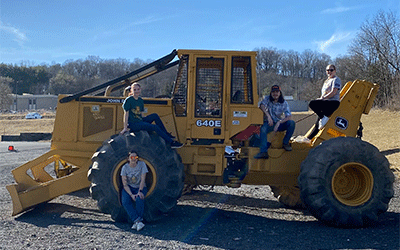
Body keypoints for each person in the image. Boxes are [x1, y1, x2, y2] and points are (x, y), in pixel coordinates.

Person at [120, 82, 183, 148]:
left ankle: (165, 133)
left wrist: (146, 121)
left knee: (154, 115)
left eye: (138, 89)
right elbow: (126, 114)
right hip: (134, 124)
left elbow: (141, 113)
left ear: (140, 89)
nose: (136, 91)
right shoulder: (129, 100)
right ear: (131, 91)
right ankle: (171, 142)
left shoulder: (140, 100)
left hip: (140, 121)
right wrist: (125, 128)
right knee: (154, 127)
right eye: (134, 90)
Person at [254, 85, 295, 159]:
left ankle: (285, 143)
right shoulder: (267, 99)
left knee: (291, 123)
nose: (275, 93)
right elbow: (262, 105)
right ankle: (263, 151)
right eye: (273, 92)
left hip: (279, 123)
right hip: (270, 123)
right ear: (271, 93)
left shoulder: (284, 103)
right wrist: (268, 116)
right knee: (263, 129)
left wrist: (279, 122)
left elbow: (289, 116)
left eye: (277, 92)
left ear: (280, 93)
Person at [307, 64, 342, 139]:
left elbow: (334, 92)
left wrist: (322, 98)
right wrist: (321, 98)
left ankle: (323, 117)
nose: (329, 72)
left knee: (312, 103)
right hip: (326, 103)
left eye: (331, 70)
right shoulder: (326, 81)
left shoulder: (336, 79)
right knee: (318, 124)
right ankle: (308, 139)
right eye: (327, 70)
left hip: (332, 103)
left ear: (335, 71)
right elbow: (323, 94)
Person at [121, 151, 148, 231]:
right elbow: (125, 184)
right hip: (129, 188)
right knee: (125, 201)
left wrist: (140, 191)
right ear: (128, 159)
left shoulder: (142, 164)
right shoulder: (125, 168)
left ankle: (137, 222)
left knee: (139, 198)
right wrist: (131, 195)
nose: (134, 159)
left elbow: (143, 179)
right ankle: (137, 221)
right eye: (132, 157)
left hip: (140, 187)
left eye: (135, 157)